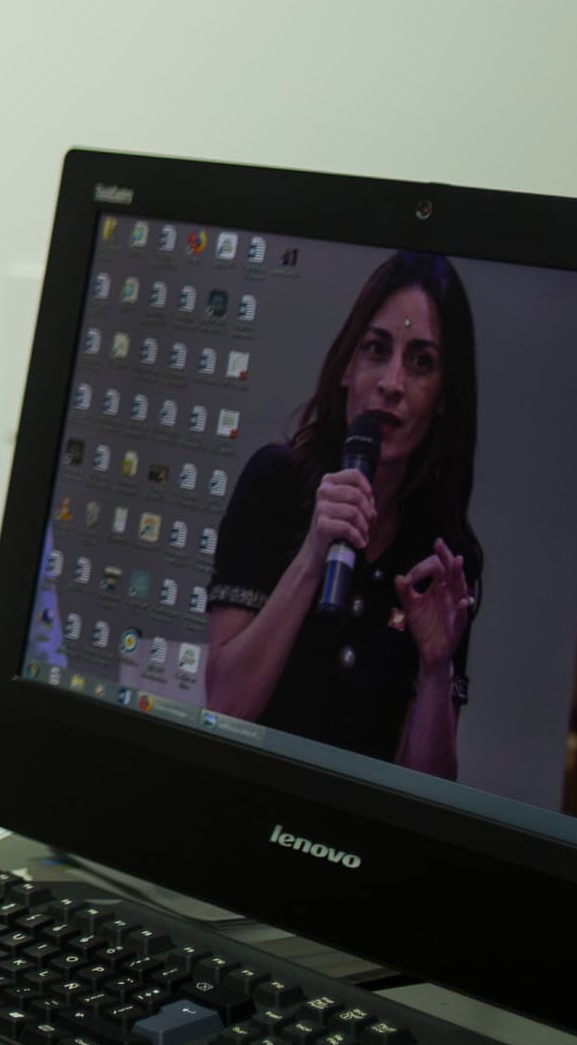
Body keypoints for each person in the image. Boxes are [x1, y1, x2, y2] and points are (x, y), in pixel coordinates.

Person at [202, 250, 486, 774]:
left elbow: (427, 796)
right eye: (377, 350)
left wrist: (437, 668)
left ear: (445, 396)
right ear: (347, 368)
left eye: (421, 362)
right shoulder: (276, 484)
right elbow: (224, 707)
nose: (392, 382)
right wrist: (313, 554)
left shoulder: (445, 556)